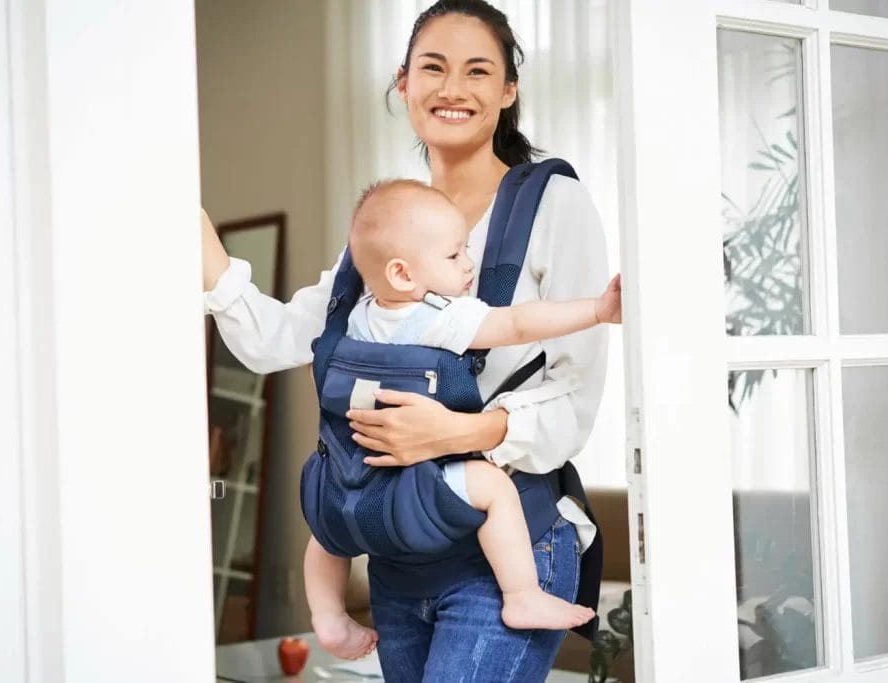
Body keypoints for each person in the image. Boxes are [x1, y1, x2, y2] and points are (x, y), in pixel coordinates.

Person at [202, 1, 611, 679]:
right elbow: (275, 340)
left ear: (509, 89)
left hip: (510, 545)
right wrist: (205, 250)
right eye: (433, 67)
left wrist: (456, 432)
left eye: (478, 70)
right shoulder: (390, 226)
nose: (453, 88)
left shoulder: (554, 205)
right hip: (400, 552)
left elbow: (575, 397)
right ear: (404, 82)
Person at [300, 179, 620, 659]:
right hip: (418, 483)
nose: (468, 264)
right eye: (454, 256)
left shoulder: (353, 320)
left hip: (353, 478)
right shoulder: (439, 318)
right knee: (494, 489)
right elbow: (518, 322)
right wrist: (597, 310)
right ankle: (521, 594)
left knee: (326, 529)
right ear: (403, 274)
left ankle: (327, 615)